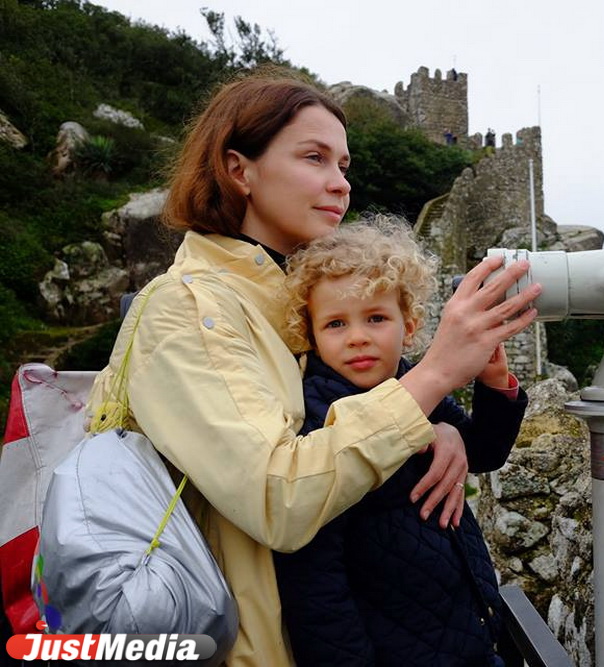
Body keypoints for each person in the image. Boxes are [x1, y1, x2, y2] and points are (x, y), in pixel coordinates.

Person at [84, 66, 540, 666]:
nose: (339, 183)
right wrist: (431, 378)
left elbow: (355, 412)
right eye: (314, 158)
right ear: (238, 168)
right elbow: (277, 496)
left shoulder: (291, 298)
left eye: (343, 166)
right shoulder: (188, 307)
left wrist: (441, 421)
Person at [274, 217, 525, 666]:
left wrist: (495, 384)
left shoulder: (412, 381)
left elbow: (482, 453)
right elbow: (317, 589)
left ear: (408, 326)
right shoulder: (317, 419)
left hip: (468, 632)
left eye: (376, 318)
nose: (357, 337)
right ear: (310, 335)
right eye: (334, 324)